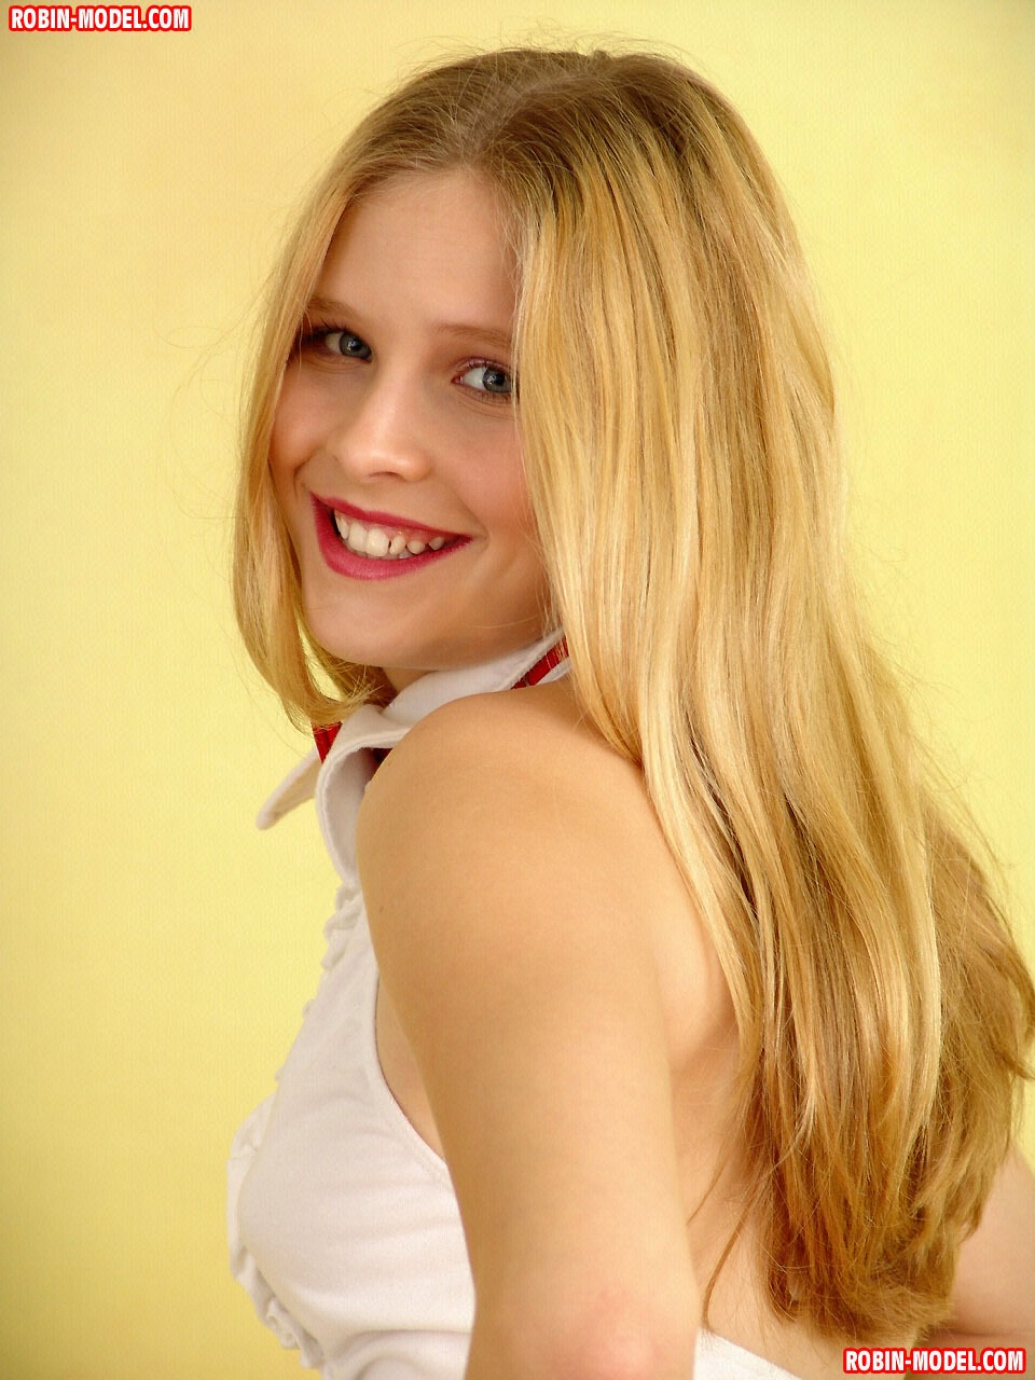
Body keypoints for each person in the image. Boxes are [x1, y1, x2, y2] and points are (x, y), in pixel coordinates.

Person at [227, 47, 1035, 1379]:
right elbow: (1006, 1334)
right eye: (340, 343)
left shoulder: (482, 792)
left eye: (490, 378)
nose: (368, 442)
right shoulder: (753, 838)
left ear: (658, 444)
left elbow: (600, 1348)